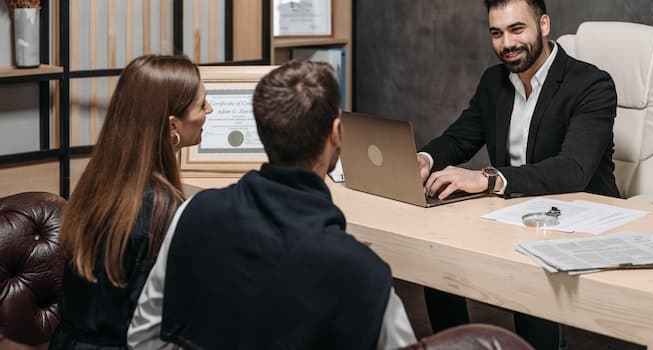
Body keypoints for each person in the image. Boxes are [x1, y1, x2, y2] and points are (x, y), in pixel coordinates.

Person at [127, 61, 416, 349]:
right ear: (336, 132)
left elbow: (142, 338)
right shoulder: (364, 273)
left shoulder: (192, 214)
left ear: (263, 132)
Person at [416, 0, 619, 348]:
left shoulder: (591, 84)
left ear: (543, 24)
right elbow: (459, 138)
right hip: (514, 213)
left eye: (516, 29)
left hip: (578, 219)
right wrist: (424, 158)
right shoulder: (494, 82)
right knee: (437, 254)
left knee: (529, 269)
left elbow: (573, 169)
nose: (506, 43)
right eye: (496, 33)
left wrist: (489, 178)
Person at [50, 54, 213, 349]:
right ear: (172, 126)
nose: (209, 110)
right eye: (202, 104)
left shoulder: (98, 183)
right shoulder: (162, 208)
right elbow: (156, 330)